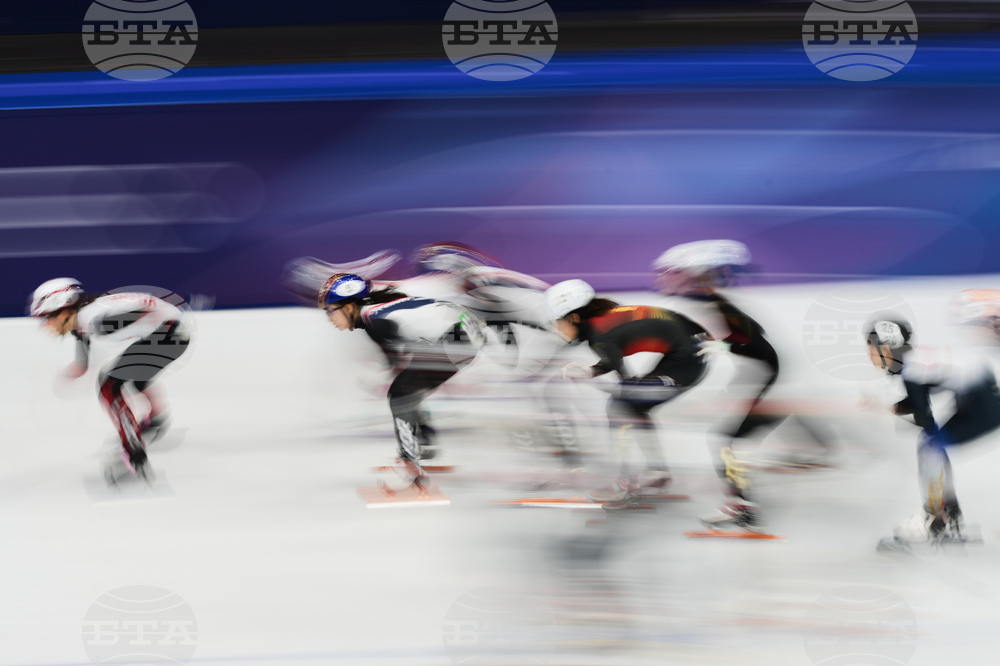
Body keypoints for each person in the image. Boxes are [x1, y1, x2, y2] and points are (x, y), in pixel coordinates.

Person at [652, 239, 833, 530]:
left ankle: (743, 508)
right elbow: (754, 340)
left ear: (687, 275)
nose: (661, 280)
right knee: (742, 432)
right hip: (772, 377)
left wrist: (720, 347)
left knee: (727, 443)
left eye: (668, 274)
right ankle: (820, 447)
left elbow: (750, 341)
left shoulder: (708, 301)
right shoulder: (709, 301)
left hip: (770, 379)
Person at [544, 279, 710, 505]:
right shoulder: (604, 319)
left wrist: (587, 376)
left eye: (557, 323)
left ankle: (626, 482)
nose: (557, 330)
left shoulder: (599, 335)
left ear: (574, 317)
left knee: (620, 406)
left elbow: (624, 383)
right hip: (687, 352)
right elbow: (616, 363)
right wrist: (588, 372)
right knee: (632, 405)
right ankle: (657, 473)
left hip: (686, 362)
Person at [318, 272, 485, 482]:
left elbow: (398, 359)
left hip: (458, 338)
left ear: (349, 307)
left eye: (330, 311)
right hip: (460, 331)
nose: (329, 319)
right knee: (405, 391)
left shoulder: (375, 322)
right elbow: (400, 360)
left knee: (400, 395)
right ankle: (423, 444)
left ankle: (411, 462)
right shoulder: (373, 314)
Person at [30, 278, 190, 480]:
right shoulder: (82, 320)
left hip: (171, 334)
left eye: (46, 318)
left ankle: (134, 452)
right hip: (167, 330)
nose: (45, 326)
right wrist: (76, 371)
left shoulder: (98, 321)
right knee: (134, 377)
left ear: (64, 311)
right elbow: (84, 357)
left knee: (110, 386)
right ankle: (156, 421)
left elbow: (145, 311)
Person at [866, 310, 1000, 542]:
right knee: (932, 446)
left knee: (931, 446)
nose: (869, 355)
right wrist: (893, 409)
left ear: (887, 347)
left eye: (870, 347)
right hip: (979, 397)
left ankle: (934, 519)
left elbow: (923, 419)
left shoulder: (910, 370)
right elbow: (920, 403)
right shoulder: (911, 363)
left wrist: (889, 415)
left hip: (983, 405)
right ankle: (947, 512)